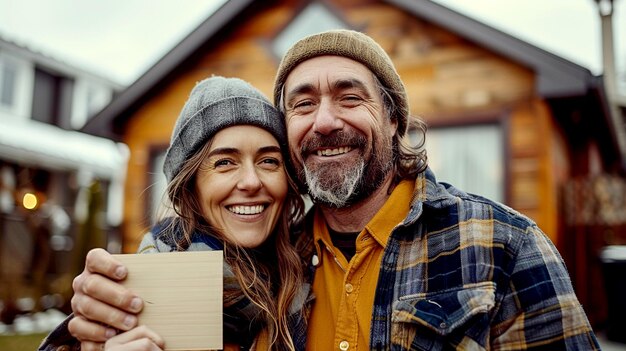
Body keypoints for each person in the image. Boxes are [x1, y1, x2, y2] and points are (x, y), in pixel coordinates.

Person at [52, 30, 601, 350]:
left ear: (392, 119)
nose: (325, 121)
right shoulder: (265, 257)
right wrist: (86, 326)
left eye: (349, 96)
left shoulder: (503, 245)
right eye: (302, 104)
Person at [39, 76, 308, 351]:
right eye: (225, 162)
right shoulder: (138, 296)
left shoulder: (313, 270)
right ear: (190, 187)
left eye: (269, 161)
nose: (251, 181)